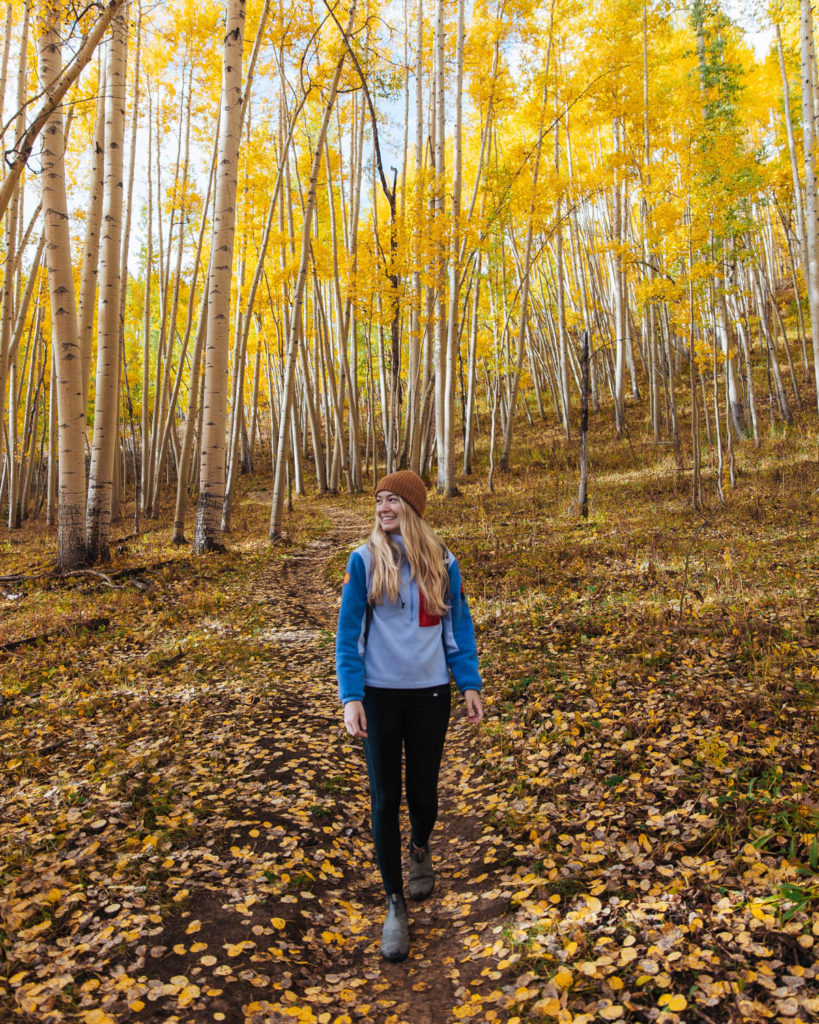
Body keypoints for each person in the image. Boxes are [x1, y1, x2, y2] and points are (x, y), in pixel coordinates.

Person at [335, 469, 484, 962]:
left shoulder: (441, 561)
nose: (383, 507)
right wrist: (350, 696)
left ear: (413, 508)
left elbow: (457, 627)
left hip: (429, 696)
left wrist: (469, 684)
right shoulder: (363, 561)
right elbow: (348, 637)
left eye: (393, 499)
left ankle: (420, 846)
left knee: (423, 792)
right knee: (384, 798)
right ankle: (394, 902)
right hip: (379, 696)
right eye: (378, 499)